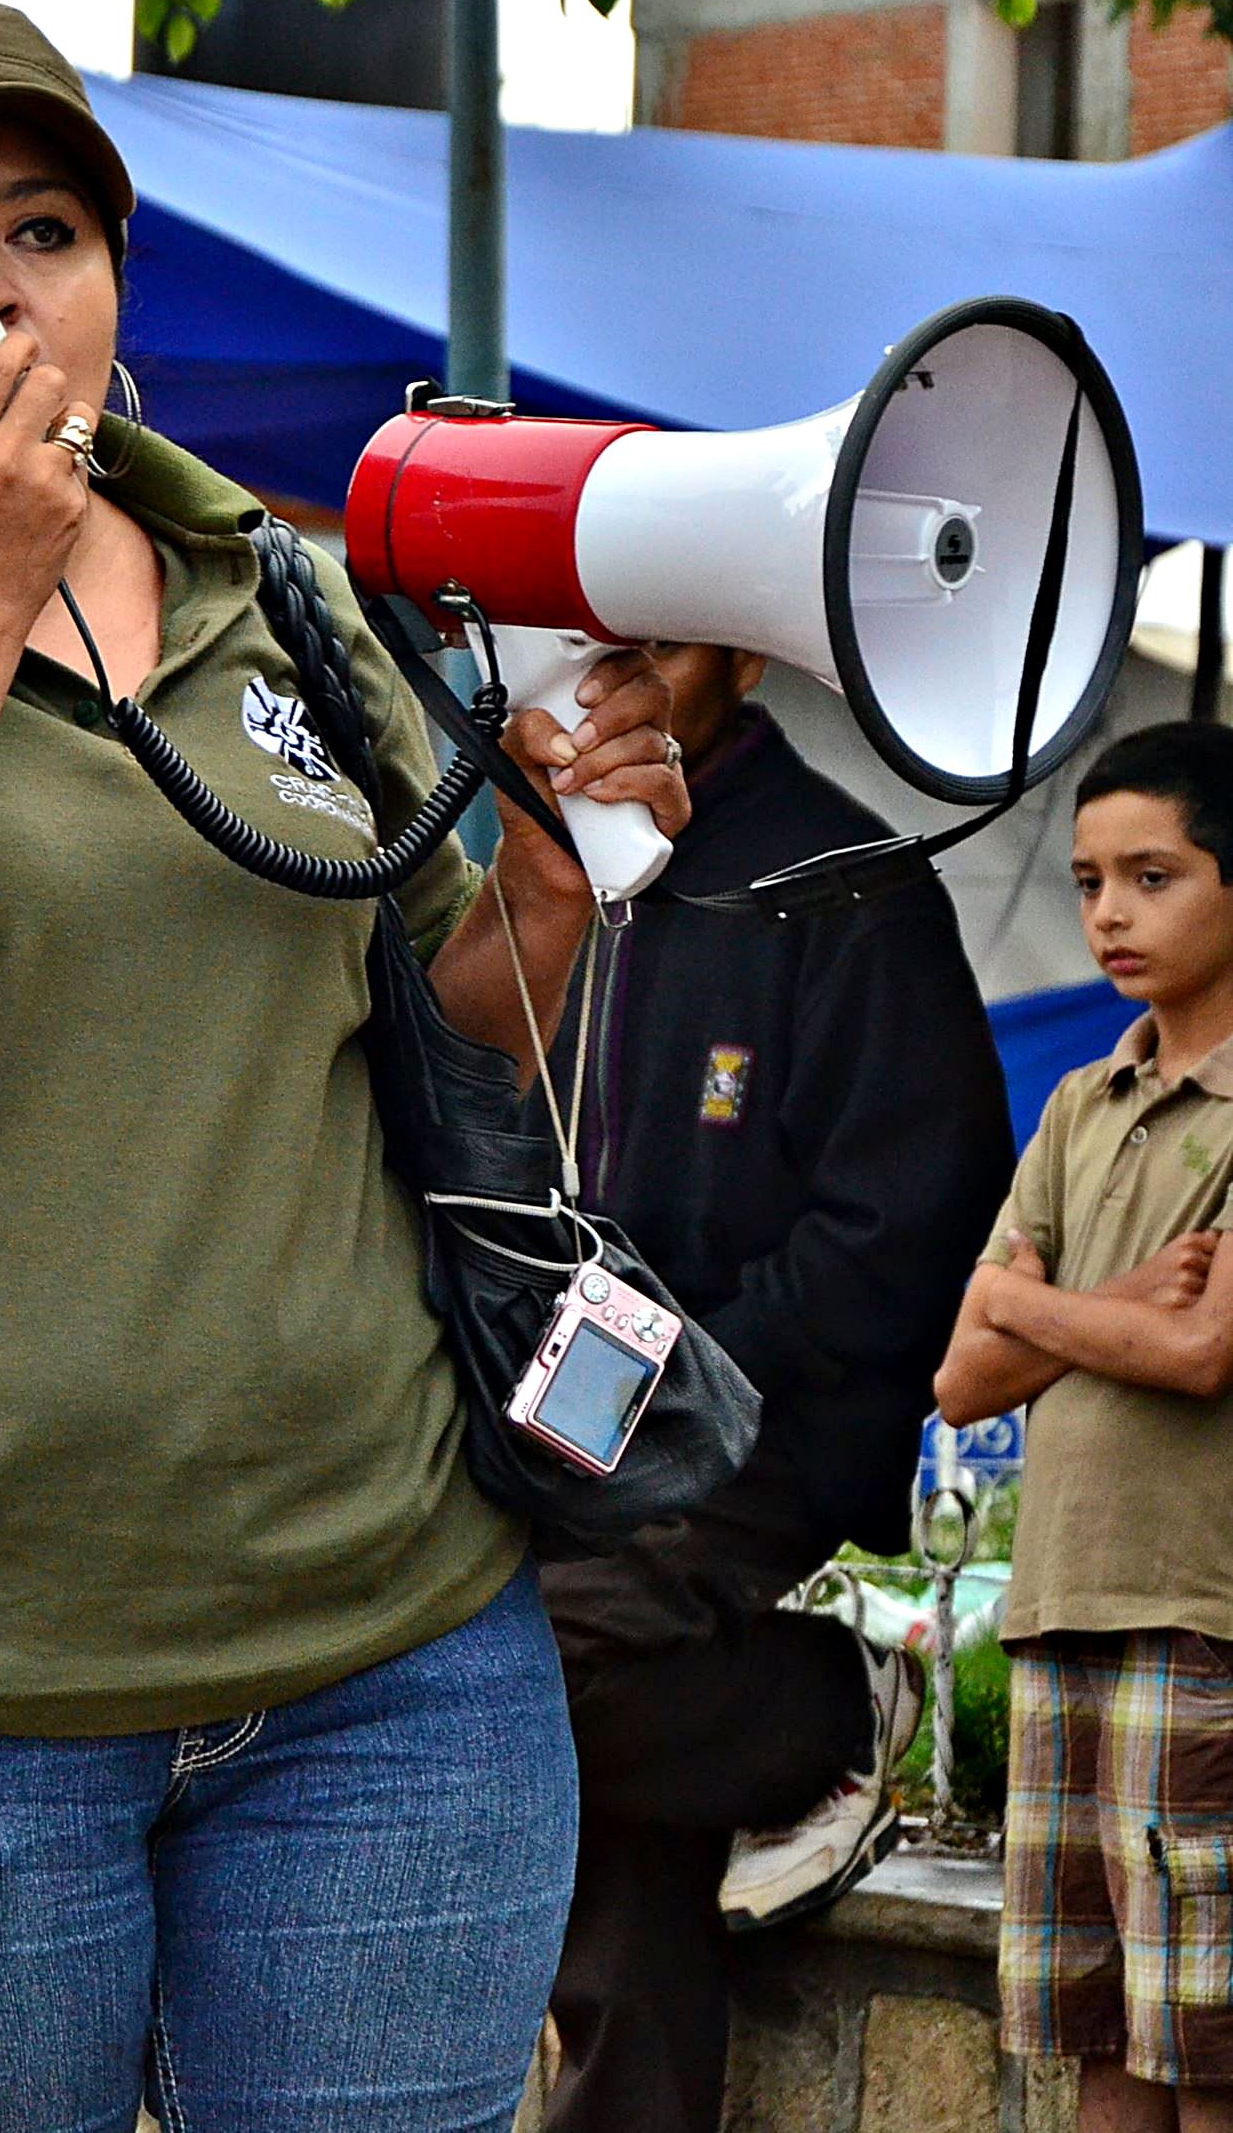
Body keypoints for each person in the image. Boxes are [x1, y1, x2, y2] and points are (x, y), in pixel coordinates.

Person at [0, 2, 693, 2132]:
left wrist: (535, 885)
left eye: (40, 229)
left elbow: (410, 1029)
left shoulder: (274, 595)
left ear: (108, 281)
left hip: (379, 1651)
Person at [536, 645, 1014, 2133]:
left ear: (744, 652)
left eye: (665, 650)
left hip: (771, 1448)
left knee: (507, 1663)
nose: (621, 684)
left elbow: (905, 1228)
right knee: (617, 1858)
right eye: (601, 649)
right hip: (574, 1444)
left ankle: (824, 1708)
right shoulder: (551, 858)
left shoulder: (848, 884)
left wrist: (681, 1376)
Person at [937, 723, 1233, 2133]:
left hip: (1202, 1621)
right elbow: (961, 1377)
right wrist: (1101, 1303)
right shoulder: (1076, 1101)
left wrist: (1035, 1305)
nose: (1110, 911)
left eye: (1154, 875)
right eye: (1088, 880)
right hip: (1058, 1615)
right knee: (1097, 2032)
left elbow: (1199, 1345)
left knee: (1213, 2045)